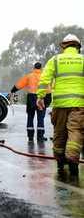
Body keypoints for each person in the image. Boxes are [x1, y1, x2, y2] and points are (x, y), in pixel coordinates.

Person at [37, 34, 84, 177]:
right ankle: (72, 159)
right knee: (75, 131)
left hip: (60, 104)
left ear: (64, 46)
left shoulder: (55, 60)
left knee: (59, 133)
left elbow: (45, 79)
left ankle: (60, 162)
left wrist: (40, 97)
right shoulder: (82, 60)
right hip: (79, 104)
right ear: (77, 46)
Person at [10, 62, 51, 142]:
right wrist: (48, 101)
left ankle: (30, 137)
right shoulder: (45, 77)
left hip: (31, 98)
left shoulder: (29, 76)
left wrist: (13, 90)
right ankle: (40, 137)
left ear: (34, 68)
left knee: (30, 117)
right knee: (40, 118)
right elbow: (48, 90)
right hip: (41, 98)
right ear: (41, 68)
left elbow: (19, 84)